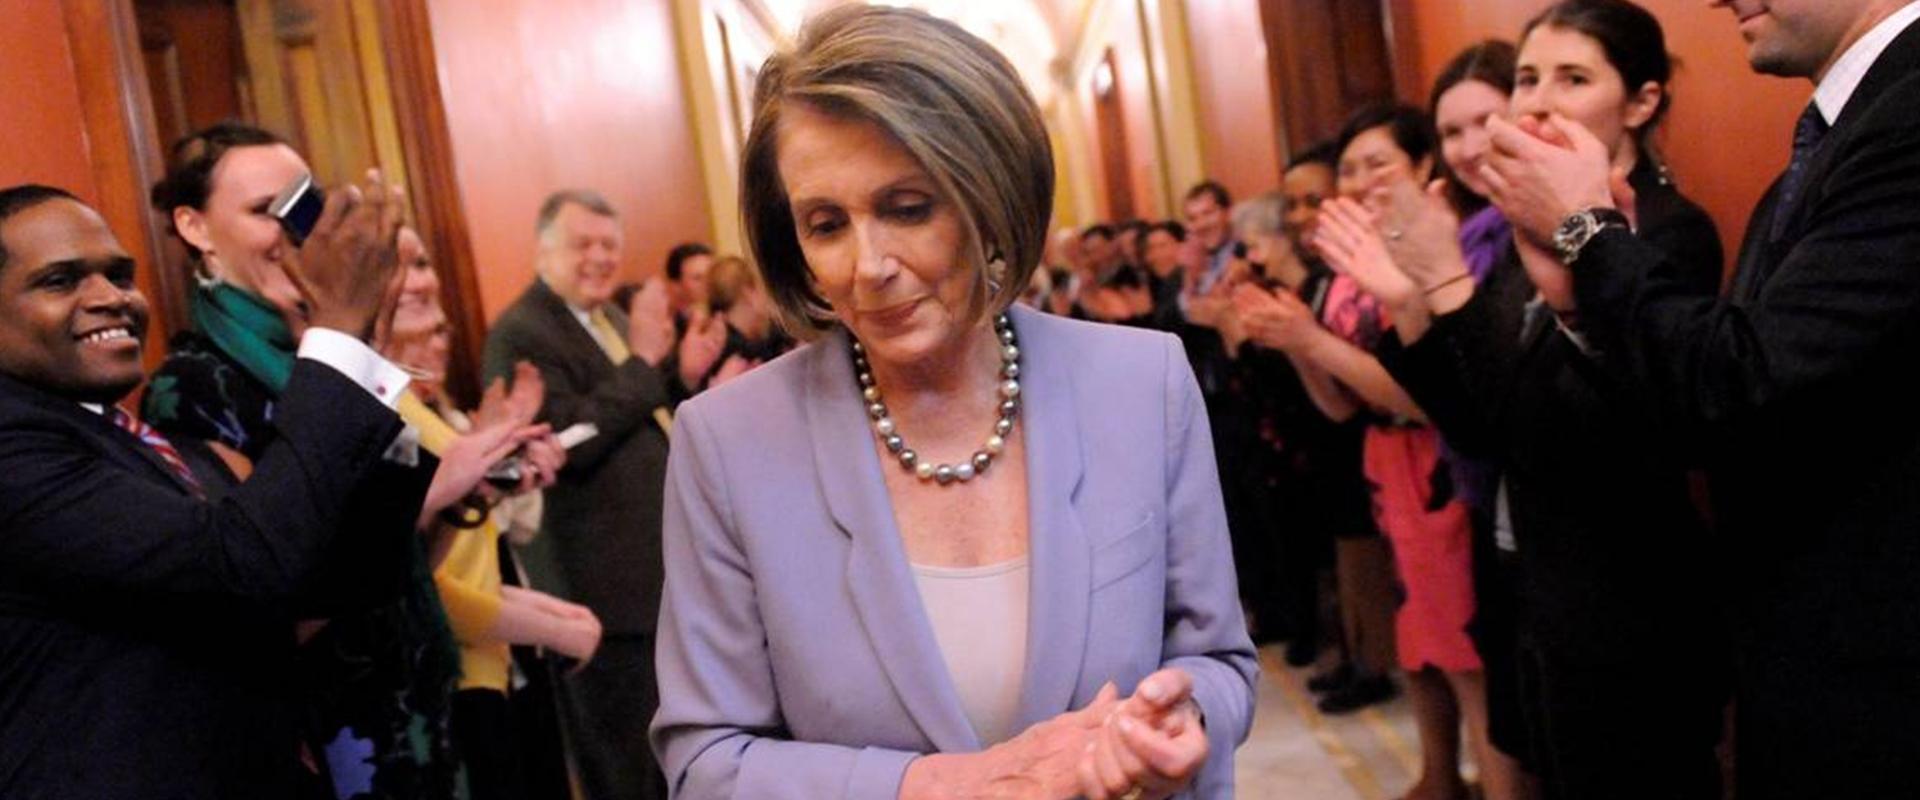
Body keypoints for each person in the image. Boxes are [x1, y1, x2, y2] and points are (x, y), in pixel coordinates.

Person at [649, 7, 1258, 800]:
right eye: (826, 224)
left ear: (989, 196)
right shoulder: (726, 442)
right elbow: (705, 759)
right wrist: (943, 786)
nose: (869, 265)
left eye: (908, 208)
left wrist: (1186, 720)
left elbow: (1219, 663)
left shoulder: (1142, 383)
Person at [1478, 0, 1920, 796]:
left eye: (1572, 76)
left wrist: (1587, 229)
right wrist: (1582, 302)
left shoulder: (1906, 114)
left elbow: (1747, 385)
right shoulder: (1831, 142)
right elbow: (1706, 412)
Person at [143, 123, 549, 799]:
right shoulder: (196, 385)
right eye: (260, 211)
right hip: (325, 731)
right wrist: (428, 484)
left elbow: (399, 562)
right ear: (196, 228)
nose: (292, 233)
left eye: (303, 208)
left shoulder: (338, 355)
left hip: (416, 699)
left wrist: (469, 493)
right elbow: (265, 593)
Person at [0, 180, 422, 797]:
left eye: (120, 275)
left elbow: (333, 581)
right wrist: (334, 343)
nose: (110, 298)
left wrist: (365, 368)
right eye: (60, 281)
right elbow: (242, 561)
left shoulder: (135, 442)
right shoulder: (13, 444)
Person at [1235, 104, 1514, 800]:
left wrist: (1310, 340)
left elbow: (1421, 394)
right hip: (1380, 459)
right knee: (1420, 642)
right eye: (1350, 168)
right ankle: (1439, 775)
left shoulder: (1438, 249)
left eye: (1376, 163)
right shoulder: (1358, 260)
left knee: (1462, 653)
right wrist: (1293, 339)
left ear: (1424, 167)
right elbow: (1339, 404)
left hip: (1437, 462)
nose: (1358, 179)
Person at [481, 189, 717, 800]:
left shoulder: (609, 318)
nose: (599, 258)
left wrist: (678, 376)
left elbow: (632, 411)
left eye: (609, 245)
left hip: (659, 577)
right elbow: (567, 441)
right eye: (582, 243)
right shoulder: (521, 332)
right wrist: (644, 362)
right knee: (625, 765)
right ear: (544, 248)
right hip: (600, 590)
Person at [381, 235, 599, 800]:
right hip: (446, 676)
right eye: (398, 267)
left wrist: (498, 467)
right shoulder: (377, 403)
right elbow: (415, 577)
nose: (424, 280)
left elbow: (462, 545)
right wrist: (552, 626)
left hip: (484, 668)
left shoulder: (408, 401)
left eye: (425, 262)